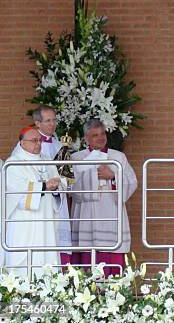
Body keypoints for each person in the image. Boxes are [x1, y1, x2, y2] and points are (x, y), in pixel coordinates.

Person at [71, 119, 137, 276]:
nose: (100, 138)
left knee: (111, 257)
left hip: (110, 213)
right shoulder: (76, 158)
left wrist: (112, 176)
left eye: (102, 134)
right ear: (86, 138)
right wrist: (93, 176)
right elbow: (71, 187)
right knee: (87, 258)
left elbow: (132, 182)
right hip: (86, 214)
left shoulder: (118, 157)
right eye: (95, 135)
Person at [3, 127, 64, 277]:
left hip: (46, 219)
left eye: (40, 140)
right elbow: (15, 192)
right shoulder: (13, 163)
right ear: (22, 143)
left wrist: (57, 186)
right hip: (24, 222)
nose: (38, 144)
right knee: (24, 261)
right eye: (34, 141)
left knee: (47, 256)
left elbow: (59, 184)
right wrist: (44, 186)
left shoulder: (46, 160)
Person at [31, 105, 73, 265]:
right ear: (37, 123)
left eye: (54, 119)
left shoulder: (60, 145)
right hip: (41, 201)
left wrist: (64, 182)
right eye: (48, 120)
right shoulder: (28, 144)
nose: (53, 124)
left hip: (59, 200)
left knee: (60, 241)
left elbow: (68, 175)